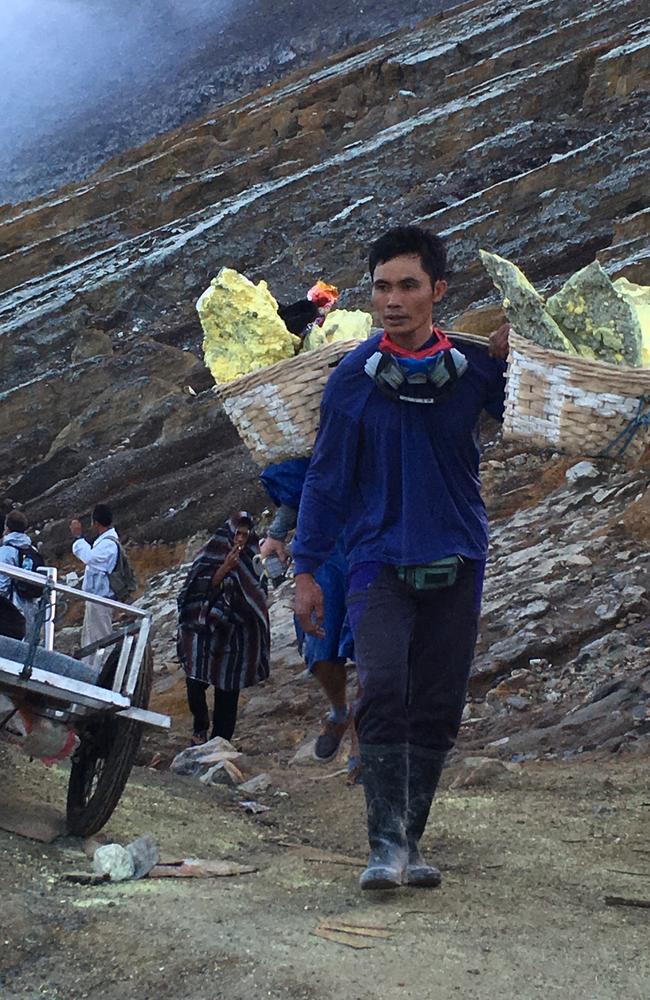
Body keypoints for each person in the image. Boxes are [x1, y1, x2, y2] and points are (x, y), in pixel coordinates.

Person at [293, 226, 509, 891]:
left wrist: (518, 358)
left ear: (437, 291)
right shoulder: (351, 384)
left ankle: (411, 843)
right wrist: (305, 569)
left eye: (408, 285)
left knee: (440, 704)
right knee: (384, 688)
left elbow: (527, 411)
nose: (393, 300)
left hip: (458, 554)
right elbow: (326, 481)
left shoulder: (474, 373)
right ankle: (383, 847)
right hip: (376, 561)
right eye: (382, 286)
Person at [259, 459, 358, 772]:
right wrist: (276, 532)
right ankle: (340, 711)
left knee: (374, 644)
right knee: (319, 650)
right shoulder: (322, 424)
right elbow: (305, 476)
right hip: (324, 547)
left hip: (375, 535)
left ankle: (362, 740)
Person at [177, 511, 270, 745]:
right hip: (206, 629)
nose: (240, 539)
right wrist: (225, 568)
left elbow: (259, 593)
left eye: (244, 535)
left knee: (228, 688)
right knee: (195, 679)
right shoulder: (211, 553)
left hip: (236, 634)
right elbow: (194, 588)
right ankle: (200, 727)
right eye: (237, 533)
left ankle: (220, 740)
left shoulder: (254, 559)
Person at [70, 504, 120, 661]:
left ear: (96, 523)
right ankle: (89, 669)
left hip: (101, 598)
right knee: (92, 637)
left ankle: (103, 671)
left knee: (101, 637)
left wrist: (78, 538)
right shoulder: (105, 542)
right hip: (96, 597)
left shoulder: (108, 544)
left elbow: (90, 558)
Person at [0, 510, 42, 638]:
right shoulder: (31, 550)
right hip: (30, 606)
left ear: (7, 528)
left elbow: (2, 584)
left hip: (11, 609)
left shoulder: (5, 551)